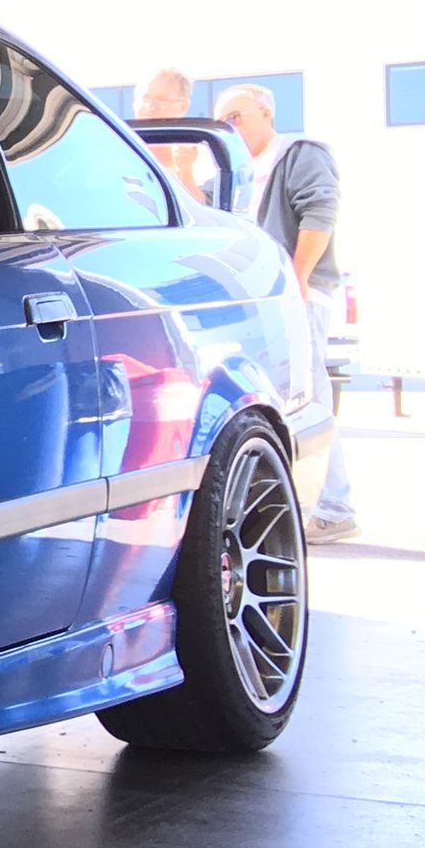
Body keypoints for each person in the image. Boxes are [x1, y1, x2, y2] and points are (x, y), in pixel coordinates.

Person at [214, 82, 356, 540]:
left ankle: (334, 506)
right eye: (223, 123)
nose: (230, 130)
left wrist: (294, 282)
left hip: (298, 294)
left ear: (265, 113)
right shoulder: (233, 172)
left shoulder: (298, 154)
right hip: (264, 301)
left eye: (236, 118)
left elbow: (319, 215)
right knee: (284, 398)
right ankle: (310, 501)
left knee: (308, 396)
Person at [133, 67, 208, 203]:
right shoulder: (117, 147)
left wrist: (185, 171)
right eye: (145, 98)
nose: (150, 106)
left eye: (162, 100)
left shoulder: (204, 157)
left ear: (183, 107)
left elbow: (206, 212)